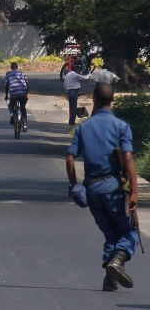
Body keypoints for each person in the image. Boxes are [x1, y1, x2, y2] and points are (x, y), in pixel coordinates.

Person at [66, 83, 139, 291]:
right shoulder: (121, 126)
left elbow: (70, 158)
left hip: (92, 191)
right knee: (130, 231)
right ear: (112, 100)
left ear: (94, 100)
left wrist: (74, 185)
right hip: (114, 188)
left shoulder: (84, 128)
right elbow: (127, 159)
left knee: (110, 233)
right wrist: (134, 191)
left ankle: (109, 279)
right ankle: (118, 260)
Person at [4, 62, 29, 131]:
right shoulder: (22, 73)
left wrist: (6, 95)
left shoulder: (8, 74)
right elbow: (27, 85)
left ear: (11, 67)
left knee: (11, 105)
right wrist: (26, 94)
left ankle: (12, 115)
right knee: (23, 108)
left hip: (14, 93)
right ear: (17, 67)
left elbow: (6, 86)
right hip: (23, 93)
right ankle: (25, 126)